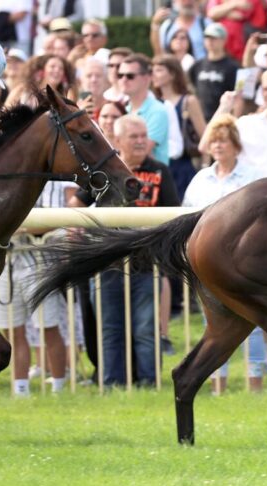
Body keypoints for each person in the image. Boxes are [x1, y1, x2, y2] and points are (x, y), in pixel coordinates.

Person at [70, 115, 180, 387]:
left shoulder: (160, 171)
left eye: (143, 135)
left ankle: (148, 383)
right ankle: (112, 384)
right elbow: (76, 202)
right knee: (109, 329)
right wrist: (79, 227)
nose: (141, 141)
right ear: (116, 141)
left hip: (145, 263)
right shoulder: (102, 171)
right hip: (107, 263)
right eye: (134, 136)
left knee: (145, 329)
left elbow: (174, 212)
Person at [181, 114, 267, 393]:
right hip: (209, 264)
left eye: (224, 141)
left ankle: (255, 384)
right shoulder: (200, 179)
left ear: (236, 146)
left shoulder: (253, 176)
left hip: (244, 263)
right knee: (214, 324)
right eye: (215, 142)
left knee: (253, 321)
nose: (218, 146)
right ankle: (218, 385)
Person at [0, 180, 76, 396]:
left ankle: (58, 387)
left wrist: (12, 225)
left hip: (40, 263)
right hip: (6, 263)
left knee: (48, 326)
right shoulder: (3, 178)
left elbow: (57, 219)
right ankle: (21, 389)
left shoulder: (54, 185)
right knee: (12, 329)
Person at [152, 54, 207, 198]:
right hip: (160, 165)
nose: (153, 75)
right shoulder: (153, 103)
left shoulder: (189, 101)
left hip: (182, 166)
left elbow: (205, 135)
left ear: (172, 74)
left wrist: (205, 168)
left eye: (159, 70)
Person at [118, 53, 170, 165]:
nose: (124, 79)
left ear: (147, 78)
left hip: (152, 179)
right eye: (120, 75)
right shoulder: (123, 108)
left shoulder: (157, 111)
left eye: (130, 76)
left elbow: (140, 153)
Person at [188, 22, 239, 122]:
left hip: (223, 118)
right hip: (200, 119)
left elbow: (237, 97)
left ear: (223, 40)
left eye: (214, 38)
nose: (210, 41)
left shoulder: (233, 67)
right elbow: (192, 89)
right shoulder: (197, 65)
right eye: (207, 37)